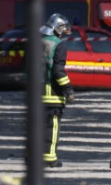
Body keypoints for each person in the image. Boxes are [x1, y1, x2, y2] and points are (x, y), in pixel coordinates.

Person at [39, 13, 75, 168]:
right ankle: (50, 158)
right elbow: (58, 72)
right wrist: (68, 90)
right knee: (51, 127)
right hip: (51, 95)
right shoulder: (59, 44)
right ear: (58, 29)